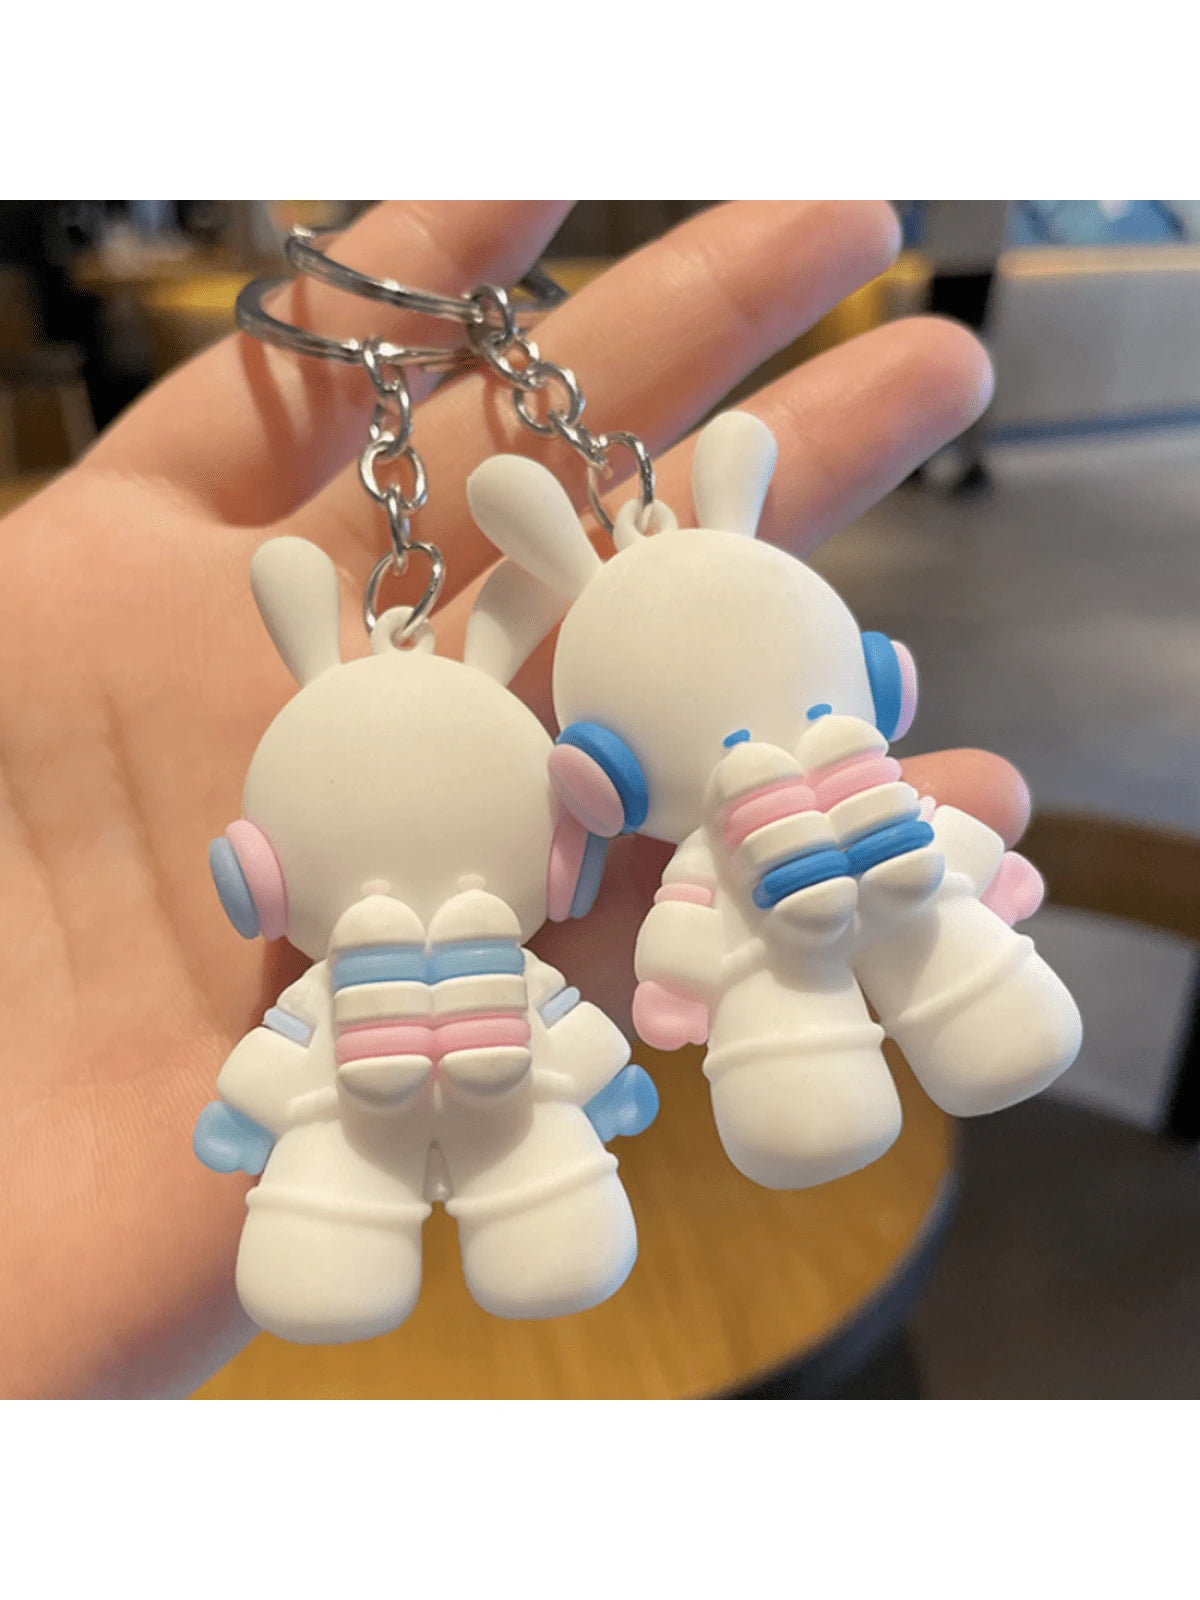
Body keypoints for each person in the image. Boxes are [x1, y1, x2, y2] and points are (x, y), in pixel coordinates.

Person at [0, 199, 1030, 1399]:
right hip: (381, 1100)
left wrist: (665, 1001)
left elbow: (677, 934)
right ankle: (395, 1219)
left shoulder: (687, 812)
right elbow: (597, 975)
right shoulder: (506, 874)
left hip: (857, 898)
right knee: (369, 1227)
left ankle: (945, 1010)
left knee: (862, 1050)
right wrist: (614, 1048)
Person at [913, 201, 1010, 495]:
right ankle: (929, 455)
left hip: (966, 261)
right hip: (958, 258)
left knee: (965, 362)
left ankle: (970, 460)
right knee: (942, 361)